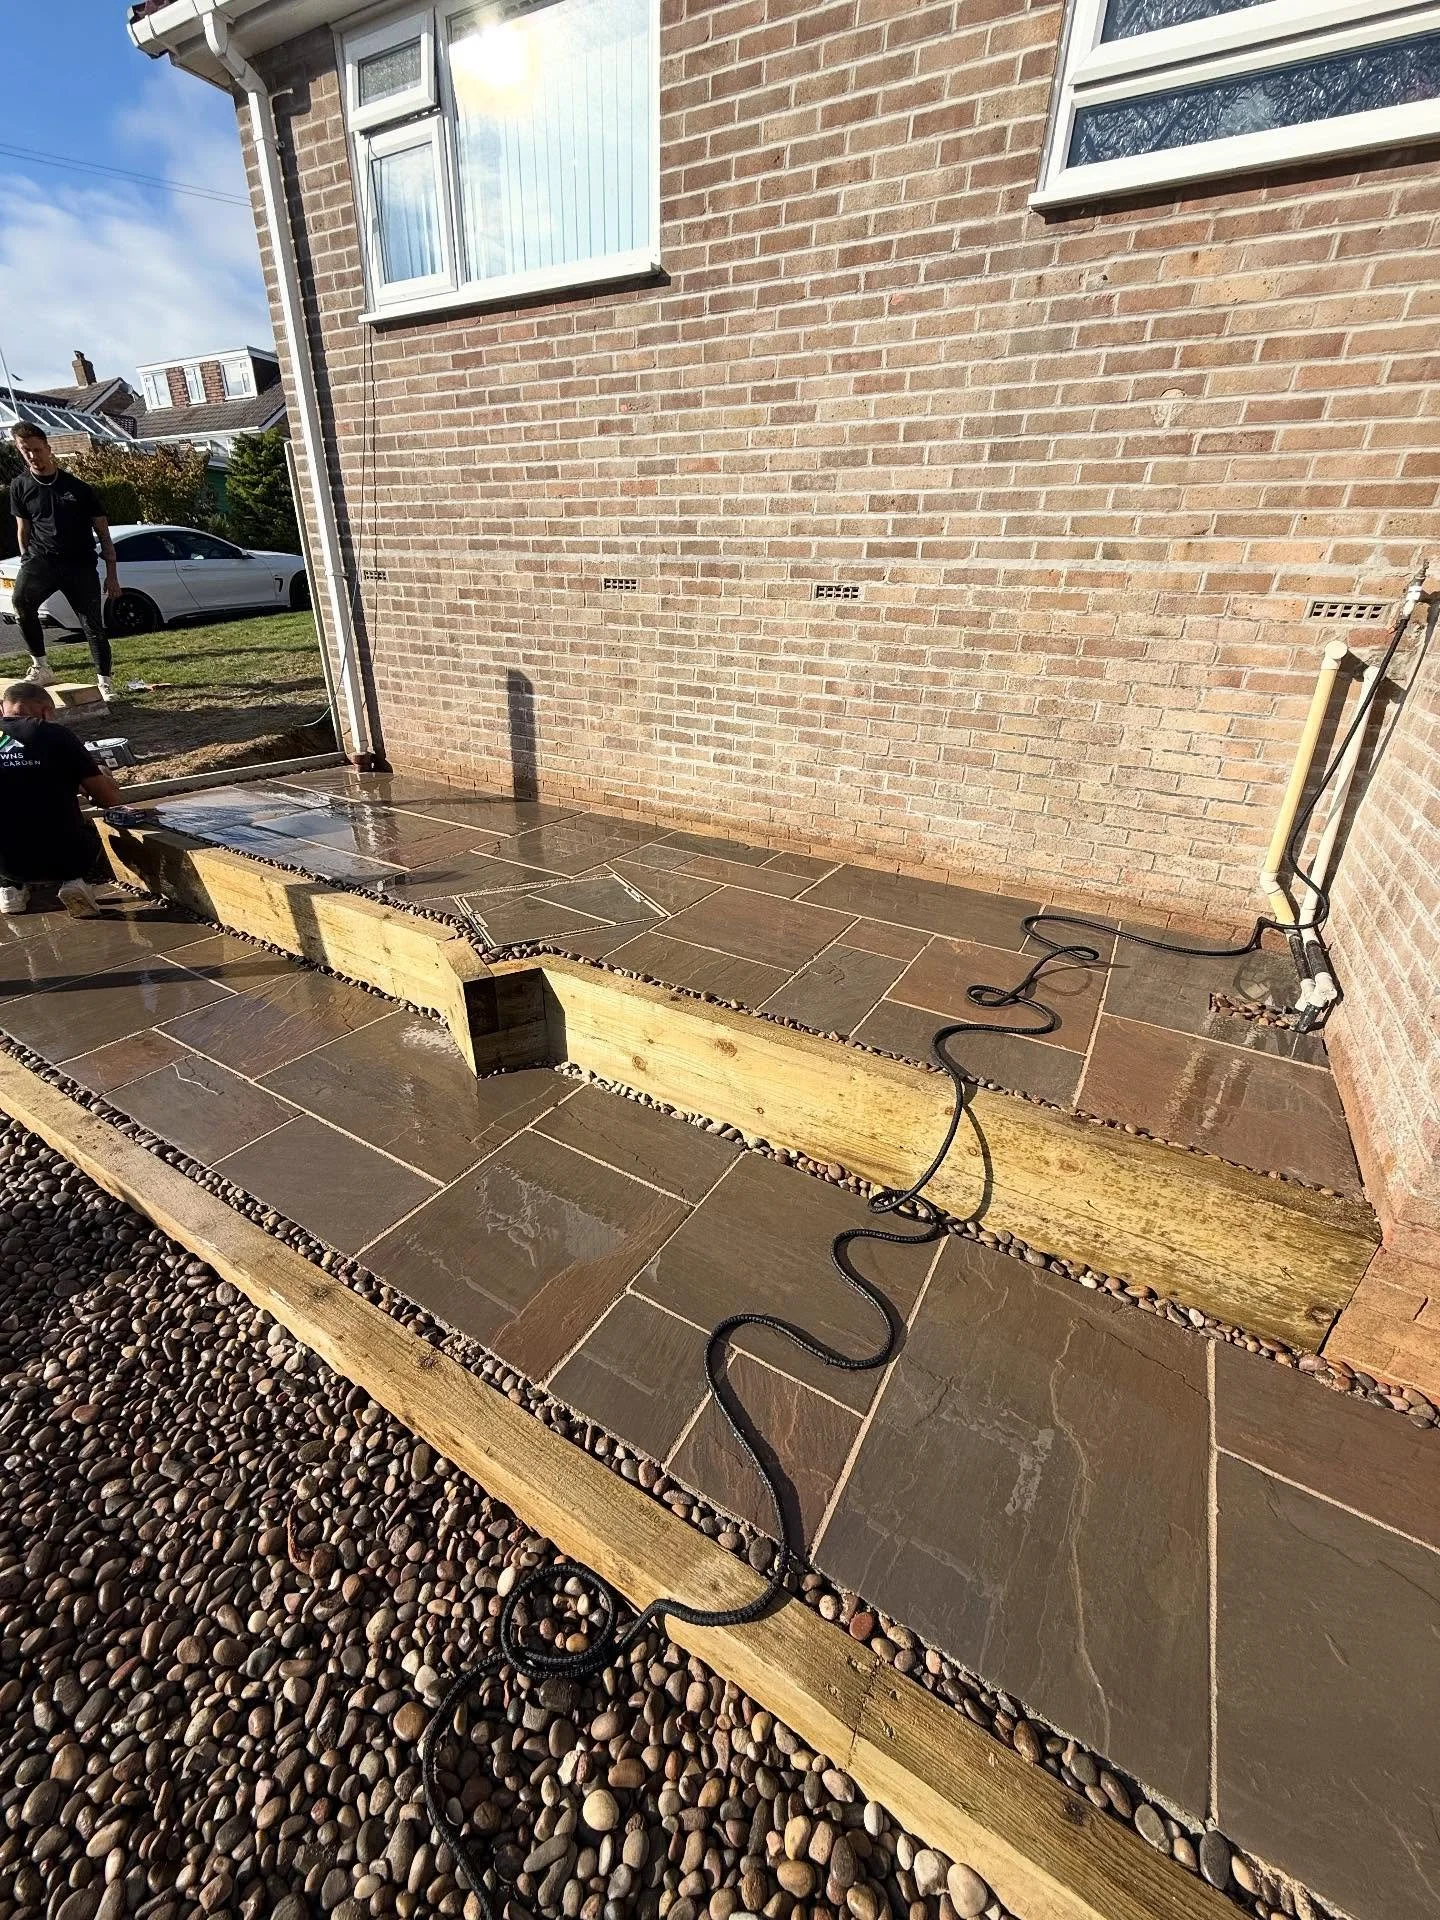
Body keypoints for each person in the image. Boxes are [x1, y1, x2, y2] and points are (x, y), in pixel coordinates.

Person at [7, 420, 118, 703]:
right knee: (21, 602)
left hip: (79, 564)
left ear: (48, 449)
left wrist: (112, 573)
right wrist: (26, 559)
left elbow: (103, 531)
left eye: (36, 450)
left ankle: (104, 683)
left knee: (92, 624)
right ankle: (41, 666)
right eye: (25, 450)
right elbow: (23, 528)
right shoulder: (20, 486)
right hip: (41, 560)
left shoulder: (78, 488)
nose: (32, 455)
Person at [0, 681, 121, 917]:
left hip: (5, 862)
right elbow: (109, 800)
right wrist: (101, 777)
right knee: (93, 830)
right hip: (64, 857)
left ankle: (9, 890)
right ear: (46, 711)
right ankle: (73, 882)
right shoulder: (55, 734)